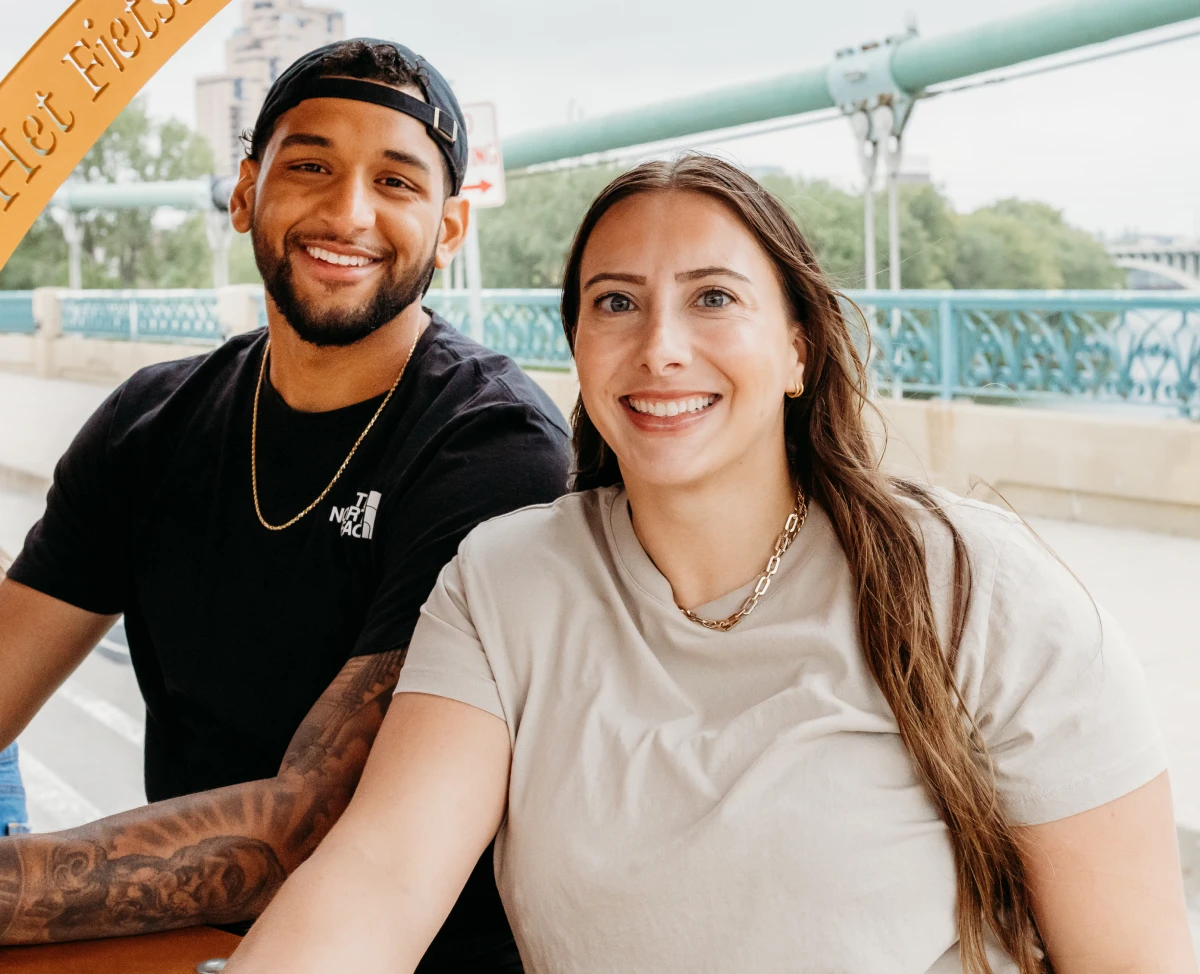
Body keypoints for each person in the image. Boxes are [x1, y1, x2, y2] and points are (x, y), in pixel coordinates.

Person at [225, 154, 1195, 974]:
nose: (661, 347)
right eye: (617, 302)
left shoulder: (973, 583)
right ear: (578, 343)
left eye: (714, 297)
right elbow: (384, 873)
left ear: (798, 349)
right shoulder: (506, 577)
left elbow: (1131, 958)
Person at [0, 39, 569, 970]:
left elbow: (307, 826)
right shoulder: (150, 423)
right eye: (310, 166)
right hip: (184, 945)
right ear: (243, 193)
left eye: (396, 182)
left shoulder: (492, 451)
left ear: (451, 230)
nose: (347, 212)